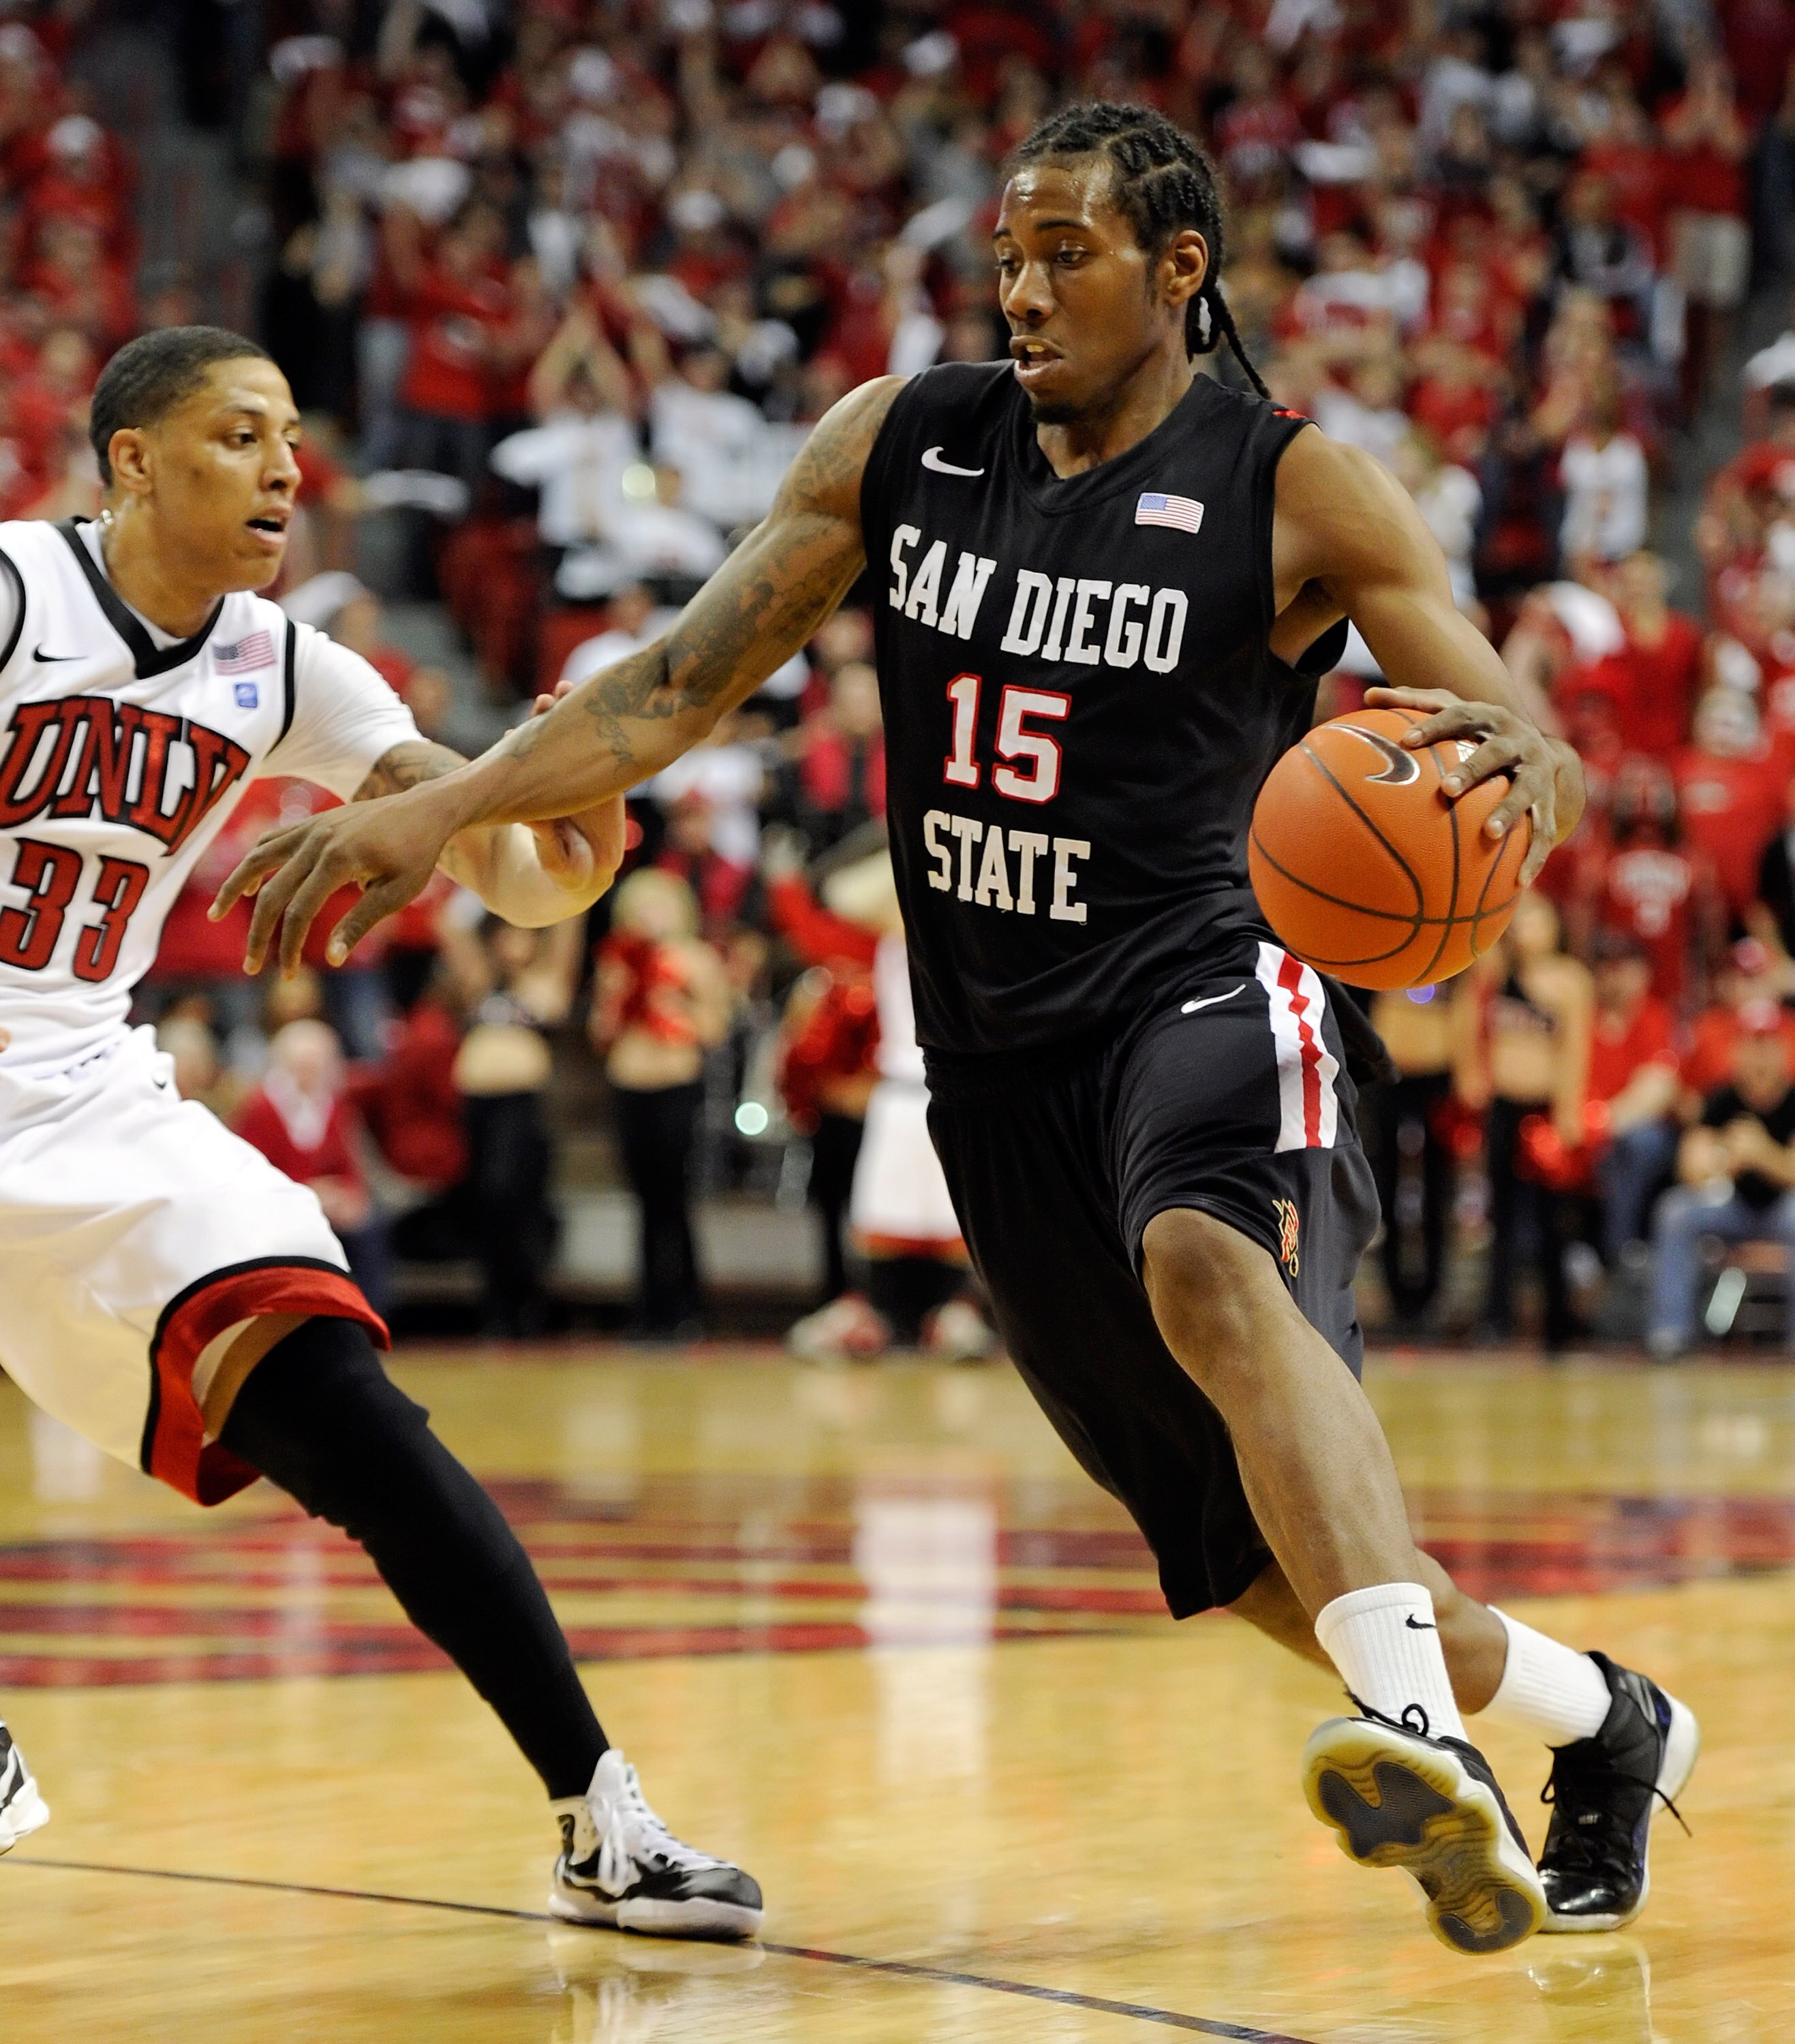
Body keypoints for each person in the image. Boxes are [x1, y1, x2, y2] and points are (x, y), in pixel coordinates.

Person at [225, 106, 1696, 1953]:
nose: (1022, 287)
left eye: (1067, 252)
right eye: (1008, 253)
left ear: (1179, 271)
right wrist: (442, 807)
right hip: (994, 1058)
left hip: (1215, 984)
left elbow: (1515, 737)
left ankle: (1415, 1740)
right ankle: (1603, 1721)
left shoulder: (1293, 484)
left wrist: (1518, 781)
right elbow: (679, 682)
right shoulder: (906, 443)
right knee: (1255, 1563)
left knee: (1205, 1269)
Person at [0, 326, 761, 1937]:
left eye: (291, 436)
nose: (285, 467)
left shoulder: (282, 668)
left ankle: (599, 1816)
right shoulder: (16, 592)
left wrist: (586, 827)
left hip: (78, 1083)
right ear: (132, 460)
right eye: (236, 434)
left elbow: (523, 877)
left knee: (351, 1411)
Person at [589, 868, 731, 1339]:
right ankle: (648, 1307)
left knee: (674, 1198)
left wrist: (676, 1004)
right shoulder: (618, 960)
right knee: (644, 1199)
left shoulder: (696, 959)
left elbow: (715, 1030)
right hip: (630, 1082)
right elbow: (601, 1033)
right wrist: (618, 999)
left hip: (676, 1081)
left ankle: (685, 1305)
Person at [1454, 894, 1593, 1352]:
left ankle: (1558, 1320)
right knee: (1503, 1217)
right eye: (1520, 919)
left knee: (1555, 1219)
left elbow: (1576, 1047)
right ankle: (1496, 1316)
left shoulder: (1571, 979)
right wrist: (1470, 1073)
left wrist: (1570, 1110)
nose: (1526, 928)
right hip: (1503, 1109)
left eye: (1537, 918)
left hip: (1546, 1115)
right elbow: (1469, 1020)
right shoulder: (1495, 970)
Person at [1649, 1003, 1795, 1359]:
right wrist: (1724, 1159)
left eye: (1768, 1046)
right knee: (1676, 1211)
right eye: (1751, 1046)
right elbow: (1691, 1167)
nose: (1760, 1058)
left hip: (1783, 1208)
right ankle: (1670, 1332)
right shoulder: (1721, 1100)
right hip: (1732, 1206)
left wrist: (1761, 1153)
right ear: (1737, 1053)